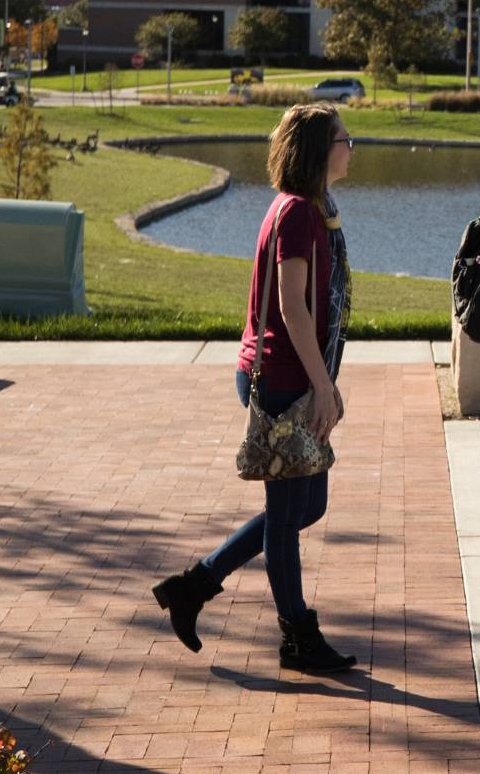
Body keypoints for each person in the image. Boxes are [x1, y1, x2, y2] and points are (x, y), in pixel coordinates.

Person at [151, 103, 359, 675]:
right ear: (320, 150)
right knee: (288, 516)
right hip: (283, 378)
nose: (351, 148)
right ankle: (297, 635)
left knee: (304, 505)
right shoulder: (297, 215)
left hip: (292, 373)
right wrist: (323, 387)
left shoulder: (310, 209)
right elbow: (292, 306)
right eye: (345, 139)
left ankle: (195, 585)